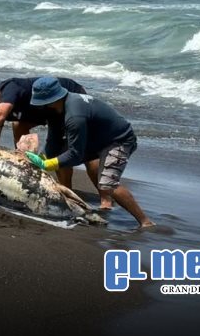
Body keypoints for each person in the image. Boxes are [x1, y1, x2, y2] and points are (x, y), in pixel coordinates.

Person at [24, 77, 154, 228]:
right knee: (60, 157)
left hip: (119, 141)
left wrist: (47, 164)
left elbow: (75, 154)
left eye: (42, 102)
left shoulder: (74, 115)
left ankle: (145, 221)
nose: (40, 106)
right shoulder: (54, 110)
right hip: (96, 138)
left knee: (108, 184)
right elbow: (53, 140)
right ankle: (68, 199)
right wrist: (42, 157)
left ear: (52, 99)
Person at [0, 77, 112, 209]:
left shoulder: (10, 89)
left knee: (87, 152)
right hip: (46, 111)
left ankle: (105, 199)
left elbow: (0, 115)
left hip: (66, 98)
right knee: (21, 127)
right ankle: (65, 189)